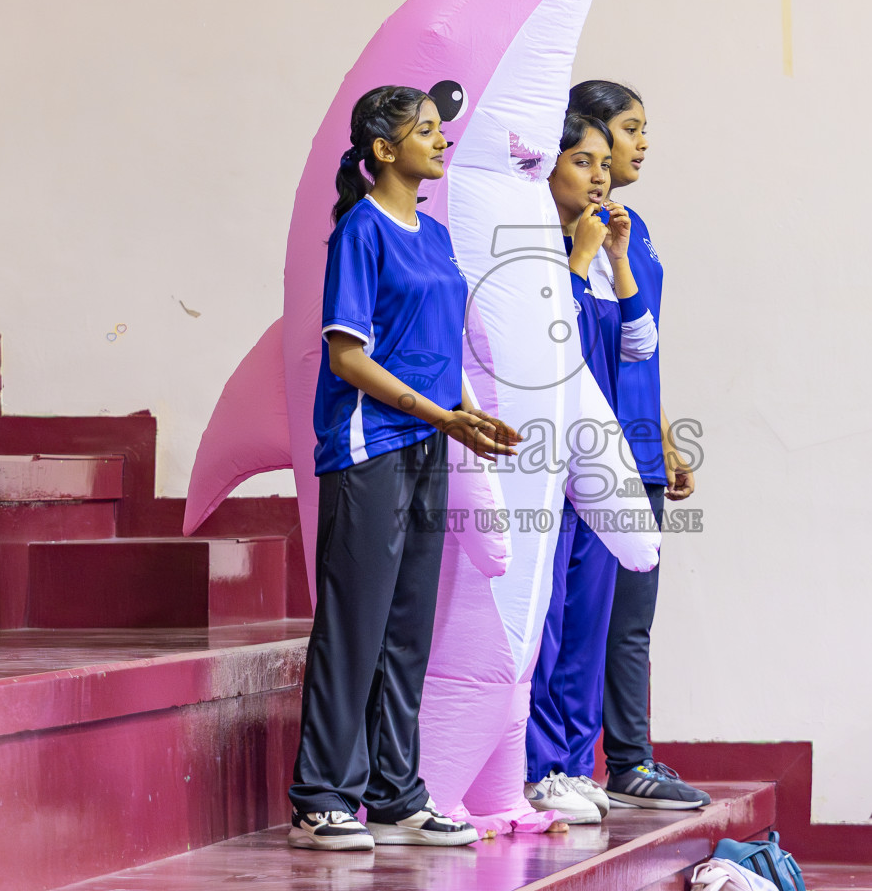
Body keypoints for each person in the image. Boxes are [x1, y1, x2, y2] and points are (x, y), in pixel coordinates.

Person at [288, 84, 521, 851]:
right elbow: (348, 354)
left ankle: (395, 793)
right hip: (369, 447)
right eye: (426, 131)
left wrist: (466, 414)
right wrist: (435, 414)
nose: (441, 141)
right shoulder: (362, 228)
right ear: (384, 151)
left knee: (408, 628)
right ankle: (323, 794)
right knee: (355, 624)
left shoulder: (433, 231)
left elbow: (440, 344)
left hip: (427, 440)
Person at [568, 80, 708, 810]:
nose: (642, 142)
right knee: (584, 618)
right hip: (594, 456)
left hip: (643, 448)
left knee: (631, 623)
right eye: (631, 128)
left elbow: (639, 345)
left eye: (642, 129)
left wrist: (665, 436)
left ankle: (630, 761)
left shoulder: (635, 228)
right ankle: (573, 763)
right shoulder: (562, 233)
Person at [524, 113, 658, 824]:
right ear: (548, 170)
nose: (600, 174)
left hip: (598, 467)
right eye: (583, 161)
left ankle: (576, 763)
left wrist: (615, 260)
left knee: (588, 624)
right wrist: (577, 260)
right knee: (545, 622)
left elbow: (639, 345)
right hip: (548, 464)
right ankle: (537, 765)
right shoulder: (533, 252)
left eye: (604, 162)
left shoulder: (604, 255)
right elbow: (548, 344)